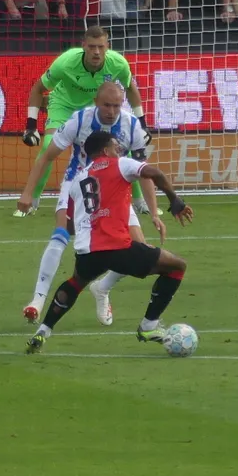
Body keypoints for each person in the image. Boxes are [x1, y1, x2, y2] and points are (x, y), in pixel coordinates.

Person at [25, 129, 193, 354]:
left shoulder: (78, 180)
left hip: (87, 250)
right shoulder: (121, 164)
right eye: (115, 147)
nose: (118, 150)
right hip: (117, 247)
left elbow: (71, 225)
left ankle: (43, 331)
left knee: (76, 283)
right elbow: (155, 173)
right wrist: (175, 201)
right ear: (105, 150)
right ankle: (149, 325)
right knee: (176, 266)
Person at [17, 80, 157, 326]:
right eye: (106, 105)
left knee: (139, 248)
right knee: (61, 233)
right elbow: (46, 156)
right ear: (96, 102)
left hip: (115, 192)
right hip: (77, 186)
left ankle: (102, 288)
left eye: (116, 105)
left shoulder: (132, 125)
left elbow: (145, 171)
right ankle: (37, 301)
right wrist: (28, 193)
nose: (111, 111)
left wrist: (153, 211)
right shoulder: (79, 120)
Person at [17, 25, 146, 218]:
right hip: (64, 105)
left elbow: (131, 89)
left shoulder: (118, 64)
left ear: (107, 46)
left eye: (101, 47)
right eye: (92, 46)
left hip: (96, 108)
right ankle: (32, 201)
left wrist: (142, 124)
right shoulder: (65, 62)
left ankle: (140, 202)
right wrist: (31, 125)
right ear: (83, 45)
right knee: (46, 147)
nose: (96, 52)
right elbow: (38, 89)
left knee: (121, 149)